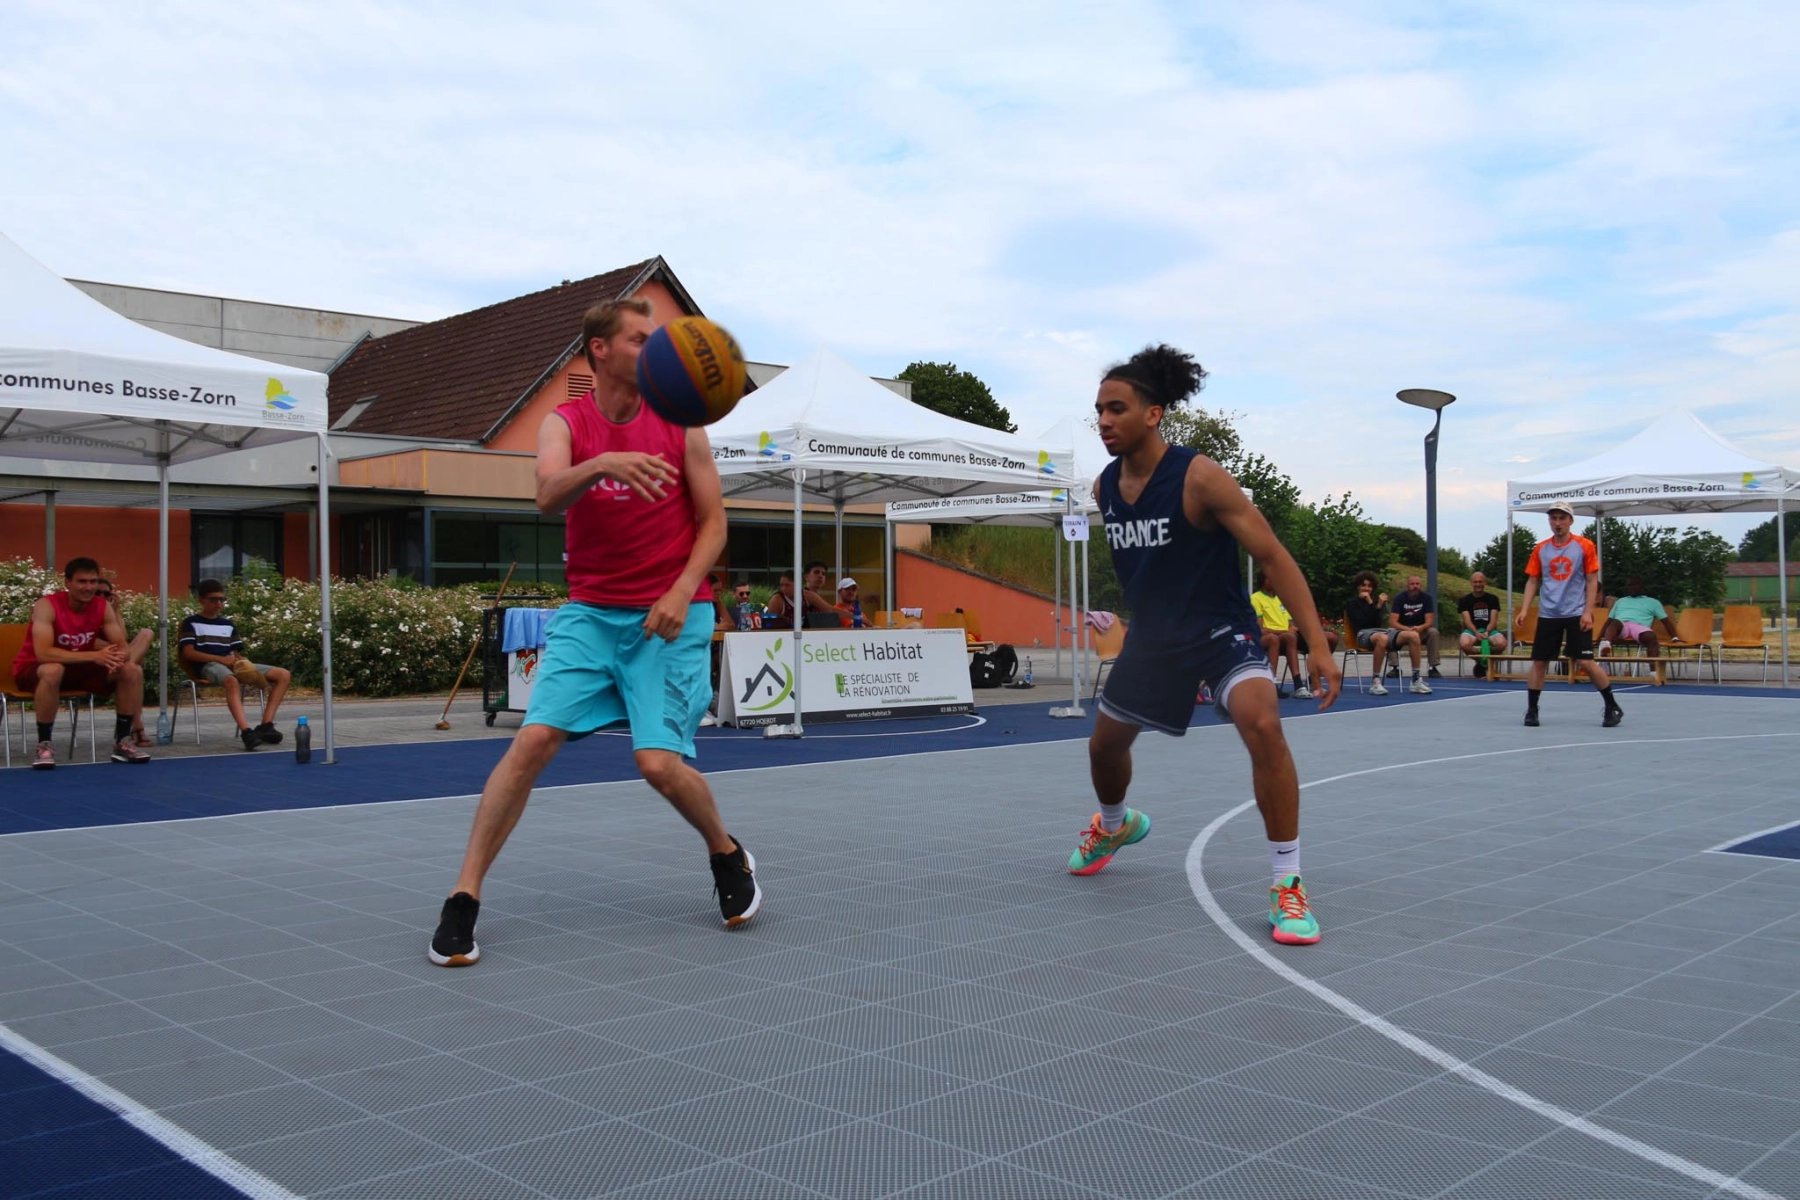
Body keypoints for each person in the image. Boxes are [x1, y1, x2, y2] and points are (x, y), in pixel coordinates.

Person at [429, 298, 760, 968]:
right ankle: (463, 896)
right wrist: (603, 463)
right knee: (532, 742)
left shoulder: (682, 423)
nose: (653, 349)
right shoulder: (567, 422)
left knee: (657, 764)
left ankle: (726, 853)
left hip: (670, 612)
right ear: (599, 350)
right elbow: (547, 493)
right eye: (639, 339)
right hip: (591, 613)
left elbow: (715, 525)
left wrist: (680, 591)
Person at [1079, 344, 1340, 947]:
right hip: (1155, 637)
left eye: (1117, 409)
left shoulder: (1199, 476)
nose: (1104, 421)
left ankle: (1287, 883)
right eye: (1099, 411)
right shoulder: (1105, 487)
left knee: (1263, 721)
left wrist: (1317, 644)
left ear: (1154, 414)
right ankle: (1115, 825)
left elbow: (1273, 556)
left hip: (1221, 630)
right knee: (1104, 748)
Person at [11, 557, 151, 768]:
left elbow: (123, 648)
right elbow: (44, 654)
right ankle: (44, 744)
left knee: (132, 670)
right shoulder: (46, 605)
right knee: (52, 669)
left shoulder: (102, 606)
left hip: (79, 668)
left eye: (93, 582)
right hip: (35, 670)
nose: (89, 587)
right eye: (82, 581)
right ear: (68, 582)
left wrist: (117, 658)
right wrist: (94, 656)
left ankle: (122, 742)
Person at [1515, 503, 1622, 728]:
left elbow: (1592, 580)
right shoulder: (1541, 549)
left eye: (1562, 518)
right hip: (1549, 613)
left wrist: (1588, 611)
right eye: (1553, 518)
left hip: (1576, 612)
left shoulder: (1584, 546)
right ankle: (1532, 710)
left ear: (1570, 521)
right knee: (1539, 662)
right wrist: (1525, 609)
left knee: (1585, 661)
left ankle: (1611, 705)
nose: (1557, 523)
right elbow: (1533, 580)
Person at [177, 579, 293, 752]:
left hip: (230, 663)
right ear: (201, 600)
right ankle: (246, 732)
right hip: (206, 665)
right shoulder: (191, 622)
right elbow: (189, 653)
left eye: (222, 599)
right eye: (213, 599)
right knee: (231, 681)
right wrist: (220, 659)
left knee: (283, 674)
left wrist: (243, 663)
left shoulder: (228, 624)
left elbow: (236, 653)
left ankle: (266, 725)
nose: (218, 603)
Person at [93, 576, 158, 746]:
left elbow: (122, 638)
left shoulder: (109, 614)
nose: (102, 597)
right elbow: (89, 643)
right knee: (134, 670)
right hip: (96, 667)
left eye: (106, 594)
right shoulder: (84, 613)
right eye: (98, 593)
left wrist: (115, 611)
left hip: (116, 663)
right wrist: (117, 648)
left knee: (146, 634)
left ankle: (134, 727)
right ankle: (137, 727)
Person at [1249, 569, 1306, 699]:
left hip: (1285, 637)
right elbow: (1260, 628)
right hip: (1267, 637)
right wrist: (1284, 631)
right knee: (1273, 639)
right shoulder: (1255, 598)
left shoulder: (1281, 599)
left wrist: (1294, 629)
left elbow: (1290, 624)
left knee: (1291, 637)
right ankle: (1272, 683)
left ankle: (1299, 685)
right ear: (1263, 581)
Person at [1598, 577, 1680, 659]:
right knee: (1615, 622)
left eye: (1635, 585)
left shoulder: (1653, 602)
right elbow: (1608, 621)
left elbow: (1666, 621)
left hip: (1640, 627)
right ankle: (1606, 644)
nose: (1632, 588)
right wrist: (1598, 638)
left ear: (1642, 587)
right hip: (1622, 626)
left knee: (1651, 637)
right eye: (1629, 585)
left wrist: (1675, 638)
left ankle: (1654, 667)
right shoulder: (1620, 601)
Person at [1386, 574, 1439, 693]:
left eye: (1417, 584)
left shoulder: (1427, 598)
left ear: (1420, 585)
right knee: (1390, 632)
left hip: (1421, 629)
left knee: (1433, 632)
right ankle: (1395, 667)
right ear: (1407, 586)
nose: (1415, 586)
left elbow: (1429, 621)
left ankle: (1433, 667)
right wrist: (1406, 629)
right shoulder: (1399, 598)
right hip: (1403, 630)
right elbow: (1393, 622)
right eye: (1412, 584)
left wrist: (1420, 628)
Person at [1345, 571, 1394, 696]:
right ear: (1358, 587)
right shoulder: (1352, 603)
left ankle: (1415, 678)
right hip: (1362, 636)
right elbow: (1363, 623)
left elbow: (1377, 624)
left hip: (1377, 634)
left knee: (1411, 636)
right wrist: (1373, 604)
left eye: (1369, 586)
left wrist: (1376, 605)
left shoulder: (1376, 604)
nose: (1366, 589)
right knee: (1383, 638)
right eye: (1364, 585)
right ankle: (1375, 680)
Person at [1458, 571, 1508, 678]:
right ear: (1471, 583)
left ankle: (1484, 662)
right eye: (1475, 582)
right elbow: (1467, 621)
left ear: (1485, 582)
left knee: (1502, 643)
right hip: (1472, 630)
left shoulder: (1493, 599)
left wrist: (1487, 631)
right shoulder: (1464, 600)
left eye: (1480, 582)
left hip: (1489, 630)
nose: (1478, 584)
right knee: (1464, 644)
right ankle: (1483, 662)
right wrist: (1476, 632)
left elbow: (1493, 620)